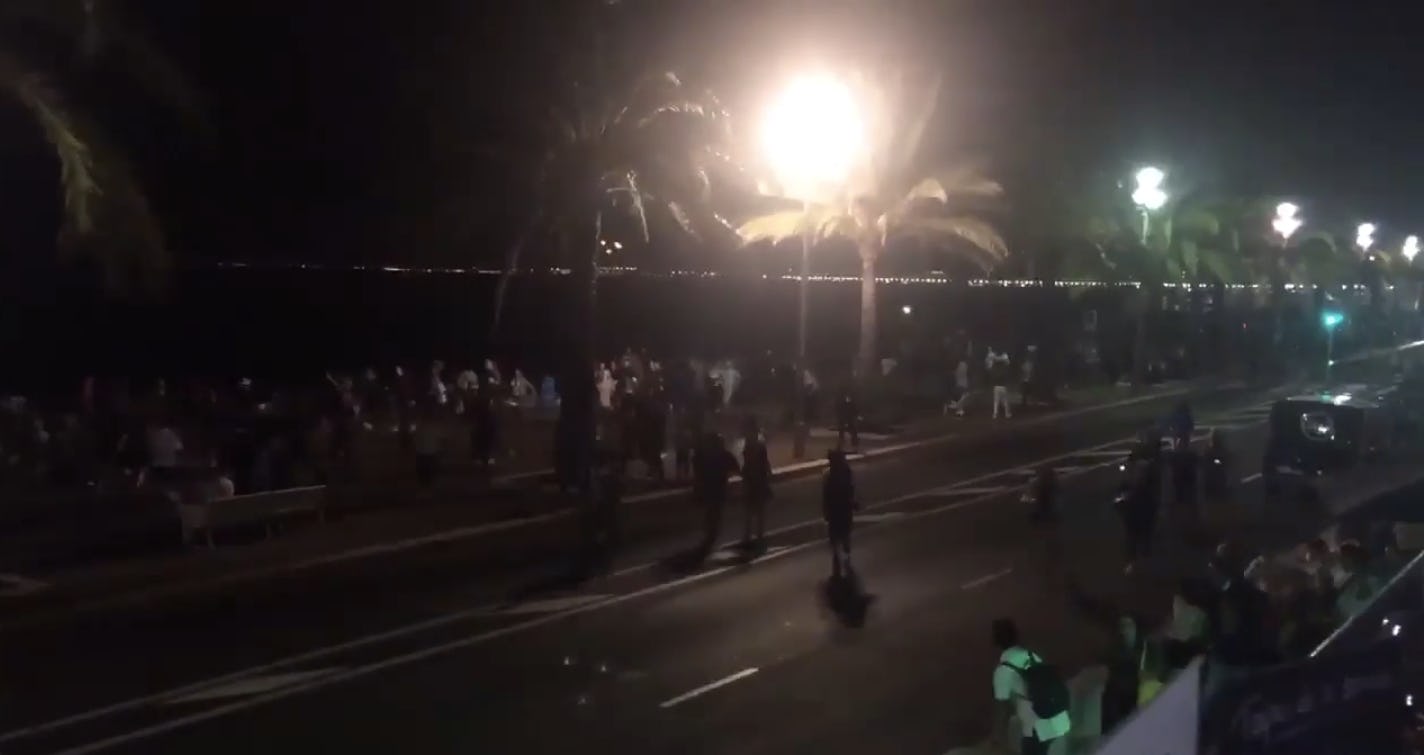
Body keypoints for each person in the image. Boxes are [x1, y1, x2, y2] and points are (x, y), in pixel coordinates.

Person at [989, 618, 1072, 755]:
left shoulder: (1003, 671)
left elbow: (1002, 710)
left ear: (996, 642)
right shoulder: (1032, 656)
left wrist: (997, 737)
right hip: (1062, 722)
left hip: (1039, 732)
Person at [693, 431, 739, 555]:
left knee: (712, 511)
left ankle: (709, 535)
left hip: (711, 488)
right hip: (717, 488)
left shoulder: (706, 455)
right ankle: (711, 535)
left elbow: (698, 470)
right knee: (714, 512)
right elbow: (735, 468)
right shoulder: (723, 455)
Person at [822, 449, 857, 580]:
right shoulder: (842, 472)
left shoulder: (831, 474)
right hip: (841, 508)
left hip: (838, 509)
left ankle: (840, 556)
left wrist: (826, 510)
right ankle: (843, 555)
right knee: (842, 534)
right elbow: (850, 490)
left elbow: (826, 494)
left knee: (838, 534)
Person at [740, 415, 772, 549]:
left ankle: (750, 535)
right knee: (757, 510)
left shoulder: (751, 444)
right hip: (757, 478)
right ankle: (757, 535)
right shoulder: (757, 443)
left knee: (752, 509)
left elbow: (750, 462)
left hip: (753, 478)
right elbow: (764, 462)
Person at [835, 384, 859, 450]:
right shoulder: (842, 403)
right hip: (844, 419)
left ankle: (854, 443)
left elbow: (855, 410)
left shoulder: (851, 403)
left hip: (849, 419)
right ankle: (840, 444)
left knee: (853, 430)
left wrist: (857, 416)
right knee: (842, 431)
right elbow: (840, 410)